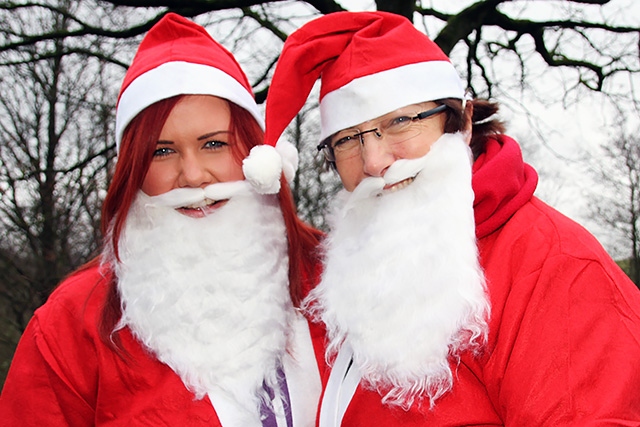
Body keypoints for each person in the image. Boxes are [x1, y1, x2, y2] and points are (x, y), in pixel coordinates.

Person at [263, 10, 640, 426]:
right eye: (348, 139)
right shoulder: (362, 261)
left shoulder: (553, 263)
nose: (373, 161)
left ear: (460, 122)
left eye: (399, 122)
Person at [0, 13, 326, 426]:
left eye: (213, 144)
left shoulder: (331, 277)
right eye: (162, 151)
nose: (192, 176)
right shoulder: (70, 323)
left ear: (252, 151)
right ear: (134, 170)